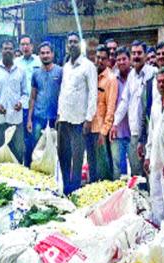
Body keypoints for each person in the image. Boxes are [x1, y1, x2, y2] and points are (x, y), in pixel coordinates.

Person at [57, 32, 97, 195]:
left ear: (80, 45)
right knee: (63, 154)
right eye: (70, 42)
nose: (72, 45)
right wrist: (59, 114)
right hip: (64, 119)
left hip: (79, 120)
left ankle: (75, 190)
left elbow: (93, 93)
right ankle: (66, 187)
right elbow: (63, 91)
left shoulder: (88, 66)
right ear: (67, 45)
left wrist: (89, 119)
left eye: (75, 42)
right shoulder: (66, 66)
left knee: (77, 157)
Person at [110, 40, 156, 176]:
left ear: (146, 54)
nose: (136, 56)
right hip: (135, 132)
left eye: (139, 53)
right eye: (134, 53)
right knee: (137, 172)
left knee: (152, 171)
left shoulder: (153, 73)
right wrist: (115, 123)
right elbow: (124, 101)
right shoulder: (132, 76)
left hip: (150, 131)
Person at [0, 39, 29, 163]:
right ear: (1, 51)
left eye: (10, 49)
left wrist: (21, 103)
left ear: (14, 50)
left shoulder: (21, 70)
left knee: (18, 151)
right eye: (5, 49)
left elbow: (25, 93)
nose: (7, 51)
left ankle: (16, 177)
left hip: (16, 119)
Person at [144, 67, 164, 228]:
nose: (161, 85)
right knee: (155, 195)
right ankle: (159, 228)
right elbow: (151, 132)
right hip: (155, 157)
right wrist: (148, 155)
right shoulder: (156, 104)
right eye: (159, 82)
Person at [25, 41, 63, 168]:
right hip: (39, 117)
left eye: (47, 53)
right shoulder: (35, 73)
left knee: (55, 148)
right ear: (39, 55)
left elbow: (63, 95)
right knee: (36, 147)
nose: (45, 55)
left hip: (55, 118)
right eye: (42, 53)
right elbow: (33, 97)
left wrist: (60, 115)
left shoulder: (60, 72)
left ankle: (52, 172)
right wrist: (29, 119)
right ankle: (34, 171)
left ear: (52, 54)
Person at [86, 44, 117, 182]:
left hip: (100, 131)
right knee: (91, 166)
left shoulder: (111, 79)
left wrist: (103, 132)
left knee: (102, 169)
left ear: (108, 60)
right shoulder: (91, 75)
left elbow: (111, 108)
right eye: (98, 58)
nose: (100, 61)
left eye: (103, 58)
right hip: (88, 127)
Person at [139, 41, 164, 156]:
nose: (161, 57)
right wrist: (142, 139)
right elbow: (145, 111)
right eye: (158, 54)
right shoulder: (150, 83)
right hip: (154, 137)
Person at [16, 35, 42, 168]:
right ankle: (23, 166)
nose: (25, 47)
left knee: (34, 137)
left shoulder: (39, 61)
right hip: (20, 107)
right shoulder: (16, 63)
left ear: (32, 46)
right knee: (21, 139)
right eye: (22, 44)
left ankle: (33, 164)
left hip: (36, 106)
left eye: (27, 44)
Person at [109, 47, 131, 180]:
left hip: (134, 132)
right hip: (116, 132)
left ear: (129, 60)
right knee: (118, 169)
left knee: (136, 169)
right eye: (119, 60)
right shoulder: (112, 79)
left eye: (124, 59)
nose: (121, 62)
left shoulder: (135, 77)